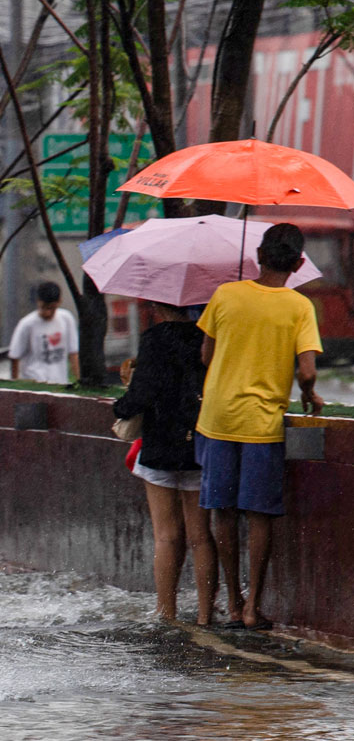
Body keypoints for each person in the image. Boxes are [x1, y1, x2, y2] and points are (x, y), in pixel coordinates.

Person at [195, 222, 323, 632]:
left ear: (257, 258)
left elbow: (205, 355)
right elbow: (306, 371)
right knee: (259, 514)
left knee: (224, 512)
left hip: (217, 418)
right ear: (299, 263)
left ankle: (232, 603)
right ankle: (253, 608)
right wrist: (311, 394)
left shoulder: (225, 295)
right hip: (262, 424)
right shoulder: (300, 307)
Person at [112, 302, 215, 623]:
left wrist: (120, 405)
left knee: (167, 536)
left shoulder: (155, 338)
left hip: (160, 446)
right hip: (200, 442)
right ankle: (204, 615)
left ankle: (166, 613)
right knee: (201, 536)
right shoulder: (209, 336)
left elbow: (140, 396)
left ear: (158, 305)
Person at [9, 282, 80, 384]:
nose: (47, 312)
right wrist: (15, 383)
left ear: (59, 302)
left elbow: (73, 353)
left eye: (52, 308)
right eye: (44, 307)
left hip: (59, 382)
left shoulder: (66, 319)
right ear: (38, 302)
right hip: (35, 383)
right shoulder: (27, 324)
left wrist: (78, 380)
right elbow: (15, 356)